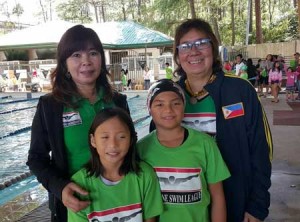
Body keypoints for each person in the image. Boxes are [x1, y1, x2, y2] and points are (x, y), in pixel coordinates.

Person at [170, 18, 272, 222]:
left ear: (213, 49)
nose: (194, 51)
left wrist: (258, 204)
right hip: (184, 208)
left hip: (236, 201)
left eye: (201, 43)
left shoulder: (240, 91)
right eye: (186, 46)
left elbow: (262, 149)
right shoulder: (168, 97)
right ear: (178, 56)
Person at [26, 25, 130, 222]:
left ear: (101, 59)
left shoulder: (117, 101)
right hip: (75, 204)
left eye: (93, 53)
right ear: (64, 64)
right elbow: (36, 158)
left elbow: (129, 148)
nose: (86, 62)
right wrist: (61, 187)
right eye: (76, 55)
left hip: (120, 200)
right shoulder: (51, 106)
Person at [138, 79, 230, 222]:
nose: (168, 110)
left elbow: (217, 196)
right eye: (159, 104)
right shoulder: (141, 149)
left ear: (184, 106)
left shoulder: (205, 144)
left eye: (175, 103)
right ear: (149, 109)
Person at [68, 107, 163, 222]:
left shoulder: (145, 175)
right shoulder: (80, 183)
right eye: (105, 137)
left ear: (131, 140)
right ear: (93, 140)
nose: (113, 145)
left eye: (121, 137)